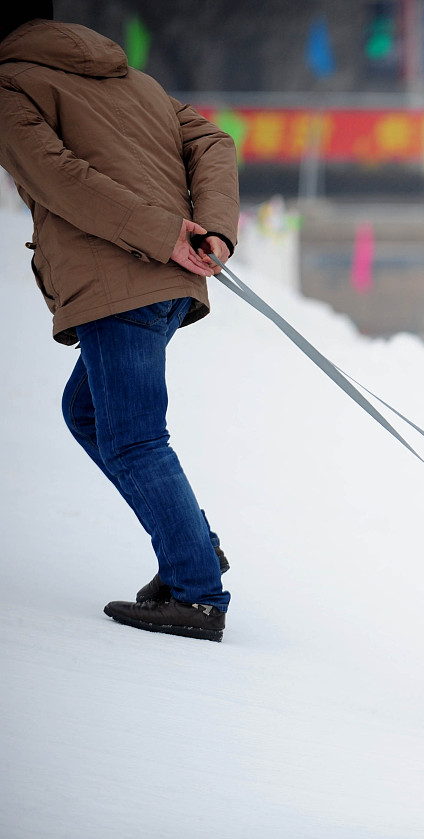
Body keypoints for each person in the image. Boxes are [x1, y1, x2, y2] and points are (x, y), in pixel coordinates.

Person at [0, 6, 239, 641]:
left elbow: (60, 178)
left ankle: (197, 594)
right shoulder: (134, 81)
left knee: (134, 437)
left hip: (120, 280)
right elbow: (213, 141)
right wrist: (212, 228)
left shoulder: (10, 87)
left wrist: (166, 235)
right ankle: (193, 546)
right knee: (87, 413)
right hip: (164, 281)